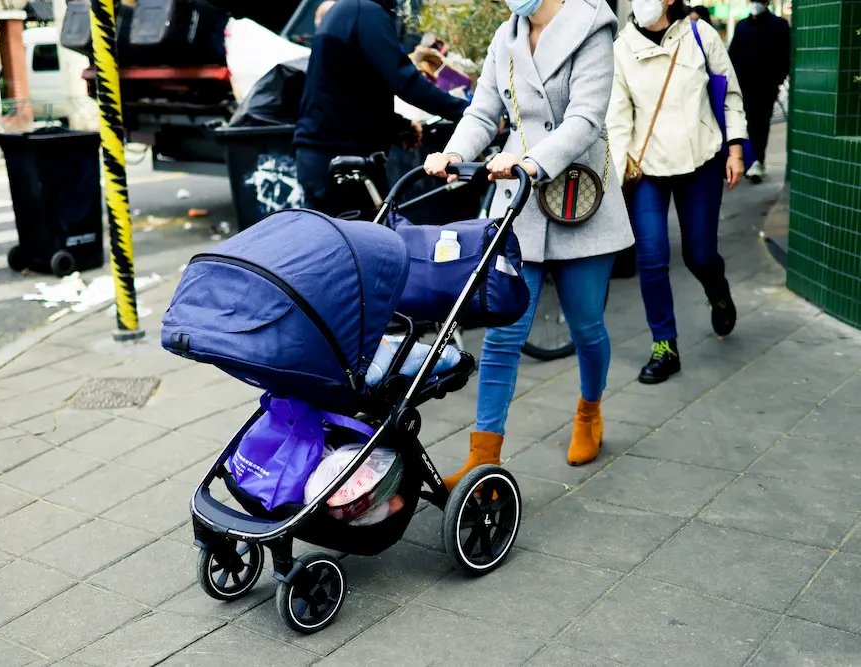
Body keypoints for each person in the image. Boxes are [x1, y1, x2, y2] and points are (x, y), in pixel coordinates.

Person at [424, 0, 634, 483]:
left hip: (577, 194)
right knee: (502, 334)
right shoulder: (508, 36)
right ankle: (483, 456)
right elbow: (483, 113)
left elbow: (585, 119)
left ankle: (589, 412)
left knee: (586, 325)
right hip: (517, 202)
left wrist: (532, 163)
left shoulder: (592, 28)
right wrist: (454, 153)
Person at [606, 0, 747, 384]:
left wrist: (735, 150)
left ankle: (718, 293)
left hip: (702, 159)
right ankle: (664, 345)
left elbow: (730, 94)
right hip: (648, 168)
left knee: (699, 255)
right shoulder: (621, 49)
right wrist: (617, 181)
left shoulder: (700, 35)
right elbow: (617, 120)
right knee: (651, 257)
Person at [294, 0, 468, 214]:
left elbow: (352, 89)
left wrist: (397, 126)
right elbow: (404, 80)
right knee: (369, 240)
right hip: (342, 160)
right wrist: (469, 113)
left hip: (324, 157)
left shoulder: (346, 11)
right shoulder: (365, 12)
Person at [728, 1, 790, 183]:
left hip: (765, 87)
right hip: (742, 85)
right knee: (740, 123)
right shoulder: (742, 26)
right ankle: (743, 159)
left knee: (759, 124)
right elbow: (732, 55)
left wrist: (776, 81)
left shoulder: (779, 25)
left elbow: (785, 56)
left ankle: (757, 161)